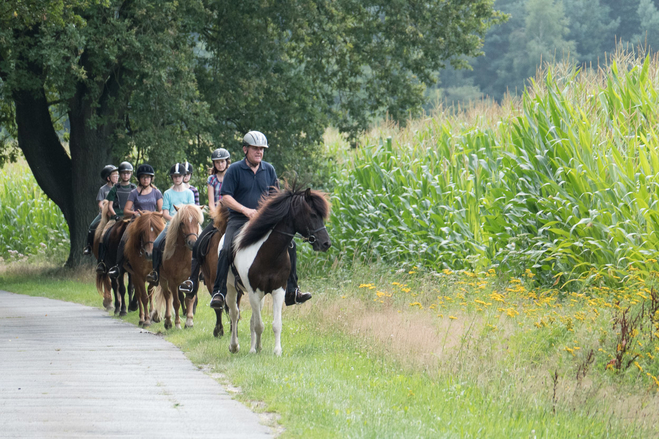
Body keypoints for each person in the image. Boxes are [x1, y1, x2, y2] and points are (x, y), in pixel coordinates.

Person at [208, 130, 311, 310]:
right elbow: (225, 197)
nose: (259, 152)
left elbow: (275, 197)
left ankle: (292, 290)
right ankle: (219, 291)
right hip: (238, 220)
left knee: (291, 244)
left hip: (263, 222)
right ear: (245, 149)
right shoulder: (234, 170)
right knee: (225, 248)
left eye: (262, 149)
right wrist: (245, 210)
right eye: (255, 148)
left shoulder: (269, 169)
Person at [178, 148, 231, 296]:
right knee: (199, 243)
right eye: (217, 162)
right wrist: (217, 216)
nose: (220, 164)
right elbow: (212, 203)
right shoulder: (211, 180)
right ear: (214, 164)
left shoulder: (233, 175)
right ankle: (193, 280)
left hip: (233, 216)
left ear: (227, 162)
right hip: (218, 218)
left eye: (222, 161)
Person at [108, 164, 163, 279]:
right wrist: (134, 213)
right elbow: (126, 210)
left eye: (148, 177)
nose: (145, 179)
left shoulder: (156, 192)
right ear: (139, 178)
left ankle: (162, 266)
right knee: (123, 238)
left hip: (152, 222)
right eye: (143, 177)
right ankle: (118, 266)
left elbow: (161, 210)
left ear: (151, 178)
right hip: (137, 222)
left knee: (164, 239)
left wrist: (151, 215)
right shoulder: (134, 192)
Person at [146, 163, 195, 285]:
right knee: (157, 244)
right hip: (171, 226)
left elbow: (192, 211)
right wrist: (176, 221)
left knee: (200, 243)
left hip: (188, 225)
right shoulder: (167, 193)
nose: (177, 178)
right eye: (175, 176)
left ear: (184, 177)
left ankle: (201, 272)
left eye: (179, 176)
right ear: (172, 177)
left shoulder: (189, 193)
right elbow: (165, 213)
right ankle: (155, 273)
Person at [96, 161, 136, 274]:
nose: (125, 175)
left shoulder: (134, 187)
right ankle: (102, 262)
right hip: (117, 217)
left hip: (131, 217)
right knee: (103, 234)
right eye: (123, 173)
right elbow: (109, 205)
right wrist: (115, 215)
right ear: (120, 174)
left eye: (128, 173)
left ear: (131, 174)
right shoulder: (115, 188)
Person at [83, 164, 118, 256]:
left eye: (117, 174)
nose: (117, 176)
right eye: (114, 175)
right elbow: (100, 203)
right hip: (104, 214)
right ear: (108, 178)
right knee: (92, 226)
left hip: (118, 213)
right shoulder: (103, 189)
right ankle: (88, 246)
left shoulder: (121, 188)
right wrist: (105, 210)